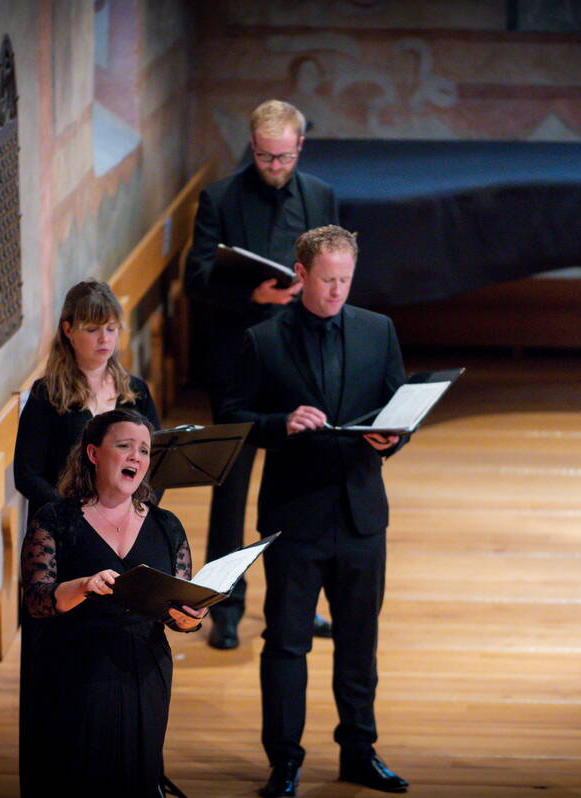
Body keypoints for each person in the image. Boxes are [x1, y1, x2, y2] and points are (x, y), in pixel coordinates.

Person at [219, 225, 409, 796]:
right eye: (327, 280)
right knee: (286, 644)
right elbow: (231, 416)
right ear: (300, 275)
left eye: (345, 280)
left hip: (360, 515)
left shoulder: (379, 331)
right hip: (294, 518)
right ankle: (284, 762)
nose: (336, 291)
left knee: (359, 642)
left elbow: (398, 407)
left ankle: (359, 752)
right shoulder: (264, 340)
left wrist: (392, 440)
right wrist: (280, 424)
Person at [186, 99, 340, 650]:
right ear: (251, 147)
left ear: (300, 147)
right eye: (263, 155)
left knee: (309, 485)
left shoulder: (320, 195)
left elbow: (334, 268)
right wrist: (249, 291)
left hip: (303, 357)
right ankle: (225, 605)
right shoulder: (221, 197)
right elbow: (196, 277)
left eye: (282, 156)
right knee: (230, 488)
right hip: (240, 362)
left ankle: (300, 605)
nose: (272, 165)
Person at [18, 408, 205, 796]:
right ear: (93, 454)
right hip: (73, 667)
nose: (136, 457)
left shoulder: (167, 525)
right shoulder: (55, 519)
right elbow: (37, 601)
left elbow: (180, 605)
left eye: (144, 450)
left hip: (143, 667)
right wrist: (84, 585)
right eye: (124, 446)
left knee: (137, 775)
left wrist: (189, 619)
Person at [14, 279, 160, 524]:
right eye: (92, 329)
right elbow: (27, 475)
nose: (104, 339)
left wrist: (136, 509)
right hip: (63, 526)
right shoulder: (46, 394)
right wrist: (74, 515)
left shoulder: (136, 392)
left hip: (125, 524)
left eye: (111, 329)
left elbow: (157, 463)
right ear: (68, 330)